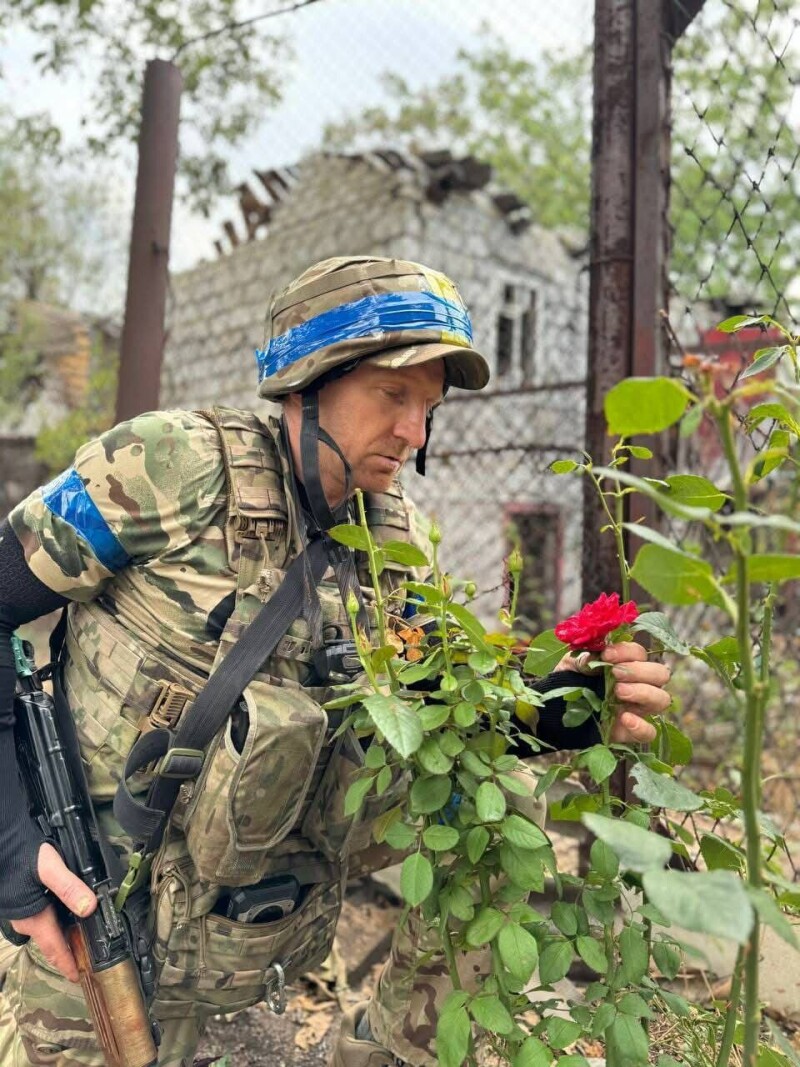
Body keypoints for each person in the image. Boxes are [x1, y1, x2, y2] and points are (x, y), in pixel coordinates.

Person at [0, 256, 671, 1067]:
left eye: (429, 407)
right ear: (308, 379)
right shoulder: (168, 466)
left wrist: (559, 710)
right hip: (100, 899)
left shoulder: (394, 539)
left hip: (262, 879)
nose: (415, 433)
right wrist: (12, 847)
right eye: (393, 395)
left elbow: (436, 715)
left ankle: (392, 1049)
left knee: (497, 808)